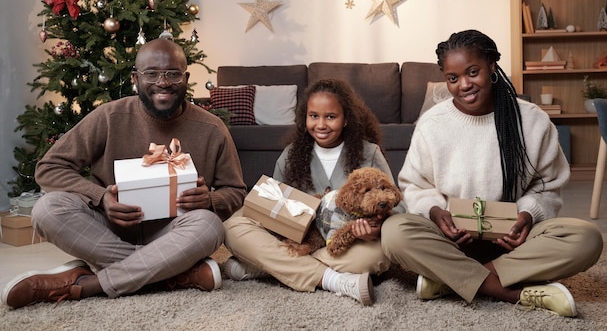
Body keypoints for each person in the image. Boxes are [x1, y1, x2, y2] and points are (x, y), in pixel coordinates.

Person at [1, 38, 247, 309]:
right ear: (135, 78)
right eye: (151, 73)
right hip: (108, 232)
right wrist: (101, 196)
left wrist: (210, 201)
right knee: (47, 209)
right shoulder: (109, 116)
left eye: (173, 73)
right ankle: (171, 273)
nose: (162, 82)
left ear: (186, 78)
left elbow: (236, 191)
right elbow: (48, 168)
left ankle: (85, 286)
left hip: (172, 233)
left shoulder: (212, 128)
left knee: (209, 226)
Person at [381, 29, 603, 317]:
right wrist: (436, 212)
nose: (464, 84)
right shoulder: (432, 124)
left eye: (473, 72)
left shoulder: (532, 120)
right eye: (453, 78)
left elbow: (548, 185)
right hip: (451, 243)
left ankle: (451, 281)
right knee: (394, 233)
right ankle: (508, 290)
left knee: (586, 238)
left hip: (514, 246)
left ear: (492, 67)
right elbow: (414, 185)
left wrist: (528, 215)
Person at [223, 78, 396, 305]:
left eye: (331, 117)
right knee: (232, 227)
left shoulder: (369, 153)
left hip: (348, 245)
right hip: (298, 238)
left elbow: (396, 205)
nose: (321, 124)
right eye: (314, 116)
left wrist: (372, 231)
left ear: (346, 120)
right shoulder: (290, 154)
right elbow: (270, 209)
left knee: (378, 255)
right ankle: (332, 279)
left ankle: (267, 267)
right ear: (304, 118)